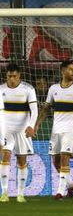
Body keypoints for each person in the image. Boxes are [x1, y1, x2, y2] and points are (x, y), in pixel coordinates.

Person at [32, 61, 73, 200]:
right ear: (62, 71)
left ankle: (59, 192)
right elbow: (46, 109)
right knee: (56, 162)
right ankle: (71, 184)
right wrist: (37, 125)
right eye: (70, 69)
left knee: (65, 157)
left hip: (71, 128)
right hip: (56, 128)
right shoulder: (53, 89)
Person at [0, 65, 38, 203]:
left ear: (19, 76)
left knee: (22, 161)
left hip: (22, 130)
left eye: (14, 76)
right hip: (6, 129)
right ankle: (4, 193)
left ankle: (20, 194)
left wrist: (31, 126)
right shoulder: (1, 89)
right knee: (5, 157)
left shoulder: (28, 89)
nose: (12, 79)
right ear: (6, 76)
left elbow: (34, 110)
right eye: (9, 76)